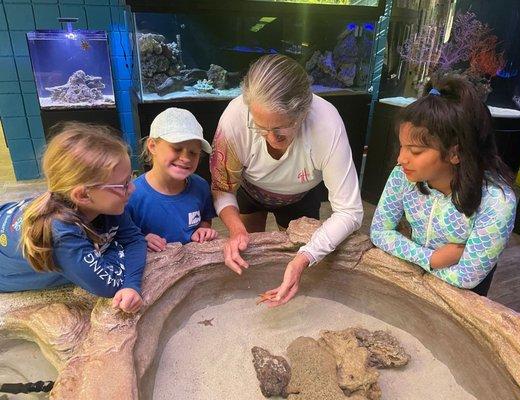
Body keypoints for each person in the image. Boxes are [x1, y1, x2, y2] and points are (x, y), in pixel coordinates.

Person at [210, 54, 364, 306]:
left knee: (295, 255)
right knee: (247, 252)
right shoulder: (234, 120)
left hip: (301, 196)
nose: (270, 137)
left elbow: (350, 211)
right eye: (260, 127)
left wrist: (304, 258)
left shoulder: (327, 123)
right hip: (250, 191)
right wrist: (236, 229)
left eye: (280, 130)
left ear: (303, 113)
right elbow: (221, 186)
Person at [370, 74, 516, 296]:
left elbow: (466, 278)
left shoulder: (496, 201)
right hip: (414, 277)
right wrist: (431, 259)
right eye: (402, 146)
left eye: (415, 151)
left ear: (455, 152)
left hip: (461, 295)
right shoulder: (403, 175)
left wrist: (411, 256)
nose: (401, 159)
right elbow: (379, 232)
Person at [0, 123, 146, 313]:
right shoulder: (62, 235)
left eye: (131, 178)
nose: (132, 189)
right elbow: (109, 284)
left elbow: (134, 239)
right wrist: (111, 246)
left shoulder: (107, 203)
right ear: (83, 195)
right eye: (124, 185)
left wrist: (132, 283)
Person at [127, 108, 217, 252]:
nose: (186, 158)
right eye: (176, 148)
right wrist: (140, 240)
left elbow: (205, 219)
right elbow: (119, 238)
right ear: (152, 146)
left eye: (193, 152)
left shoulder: (201, 187)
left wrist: (203, 230)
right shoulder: (131, 194)